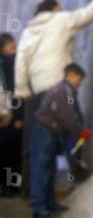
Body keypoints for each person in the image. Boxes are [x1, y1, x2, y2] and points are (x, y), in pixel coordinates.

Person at [13, 0, 93, 197]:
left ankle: (34, 192)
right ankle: (73, 173)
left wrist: (22, 89)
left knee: (39, 143)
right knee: (72, 130)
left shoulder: (30, 30)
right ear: (54, 7)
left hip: (37, 91)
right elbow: (84, 15)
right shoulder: (61, 19)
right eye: (59, 5)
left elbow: (20, 60)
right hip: (59, 86)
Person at [30, 63, 89, 218]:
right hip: (46, 133)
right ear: (72, 75)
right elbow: (67, 117)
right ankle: (39, 208)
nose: (80, 84)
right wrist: (80, 132)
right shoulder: (64, 91)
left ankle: (49, 205)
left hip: (49, 132)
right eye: (80, 79)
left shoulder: (63, 89)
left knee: (48, 170)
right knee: (42, 170)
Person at [0, 33, 23, 197]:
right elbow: (14, 92)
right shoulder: (9, 65)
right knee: (11, 154)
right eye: (12, 48)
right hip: (8, 118)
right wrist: (17, 116)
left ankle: (9, 187)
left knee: (11, 153)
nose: (15, 52)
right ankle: (10, 188)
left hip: (10, 117)